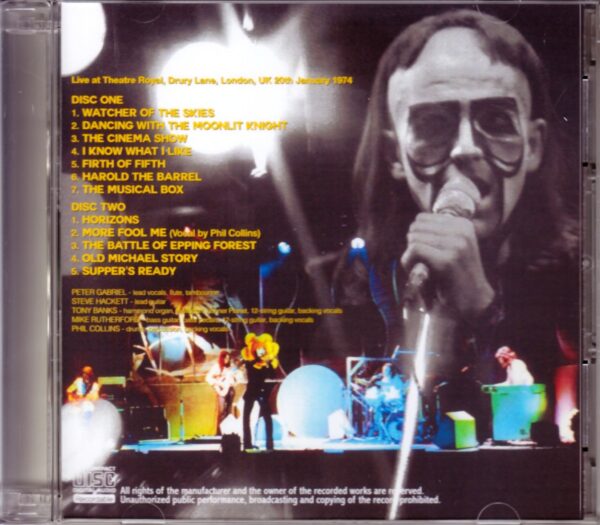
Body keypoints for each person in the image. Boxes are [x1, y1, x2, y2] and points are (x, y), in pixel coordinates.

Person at [334, 9, 578, 439]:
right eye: (433, 125)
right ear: (394, 155)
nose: (466, 149)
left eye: (497, 121)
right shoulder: (369, 268)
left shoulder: (577, 271)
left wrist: (481, 307)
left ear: (534, 146)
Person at [241, 333, 279, 451]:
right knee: (246, 418)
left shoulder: (265, 365)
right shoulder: (250, 362)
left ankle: (270, 445)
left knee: (267, 418)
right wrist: (261, 360)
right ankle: (247, 444)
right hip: (252, 392)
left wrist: (268, 362)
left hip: (261, 392)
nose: (260, 352)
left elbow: (272, 374)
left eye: (262, 350)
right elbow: (250, 366)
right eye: (258, 350)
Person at [206, 350, 240, 423]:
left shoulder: (230, 367)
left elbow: (234, 379)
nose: (227, 360)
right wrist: (218, 383)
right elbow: (208, 378)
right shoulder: (216, 367)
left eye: (228, 358)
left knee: (229, 411)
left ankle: (227, 427)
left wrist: (233, 380)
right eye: (226, 358)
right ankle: (219, 427)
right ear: (222, 358)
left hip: (229, 391)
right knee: (221, 411)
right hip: (221, 391)